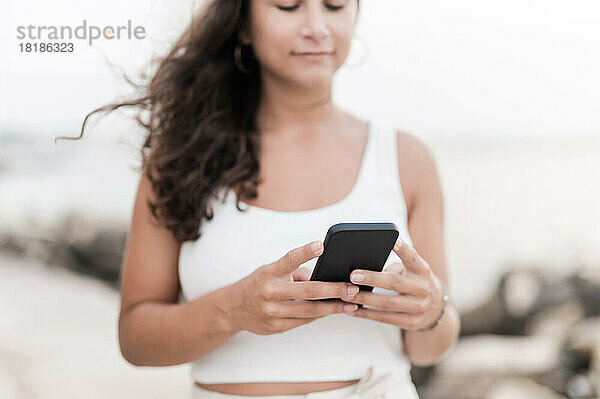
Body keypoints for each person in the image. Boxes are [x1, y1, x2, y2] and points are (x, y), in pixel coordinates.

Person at [68, 0, 461, 397]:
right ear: (242, 24)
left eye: (335, 5)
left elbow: (429, 348)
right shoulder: (177, 161)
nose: (317, 27)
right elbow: (136, 339)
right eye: (288, 6)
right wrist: (234, 309)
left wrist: (432, 311)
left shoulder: (406, 159)